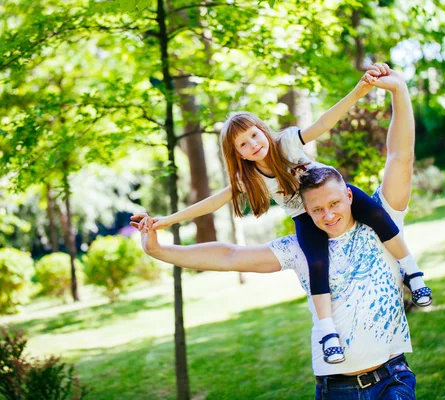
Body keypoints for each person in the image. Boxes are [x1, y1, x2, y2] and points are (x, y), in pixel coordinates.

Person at [131, 66, 421, 399]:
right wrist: (160, 242)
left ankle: (415, 274)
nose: (327, 214)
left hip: (392, 380)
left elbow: (400, 155)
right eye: (316, 209)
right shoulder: (300, 245)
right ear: (305, 211)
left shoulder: (382, 222)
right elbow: (229, 254)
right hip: (336, 387)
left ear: (349, 194)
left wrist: (398, 91)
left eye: (334, 202)